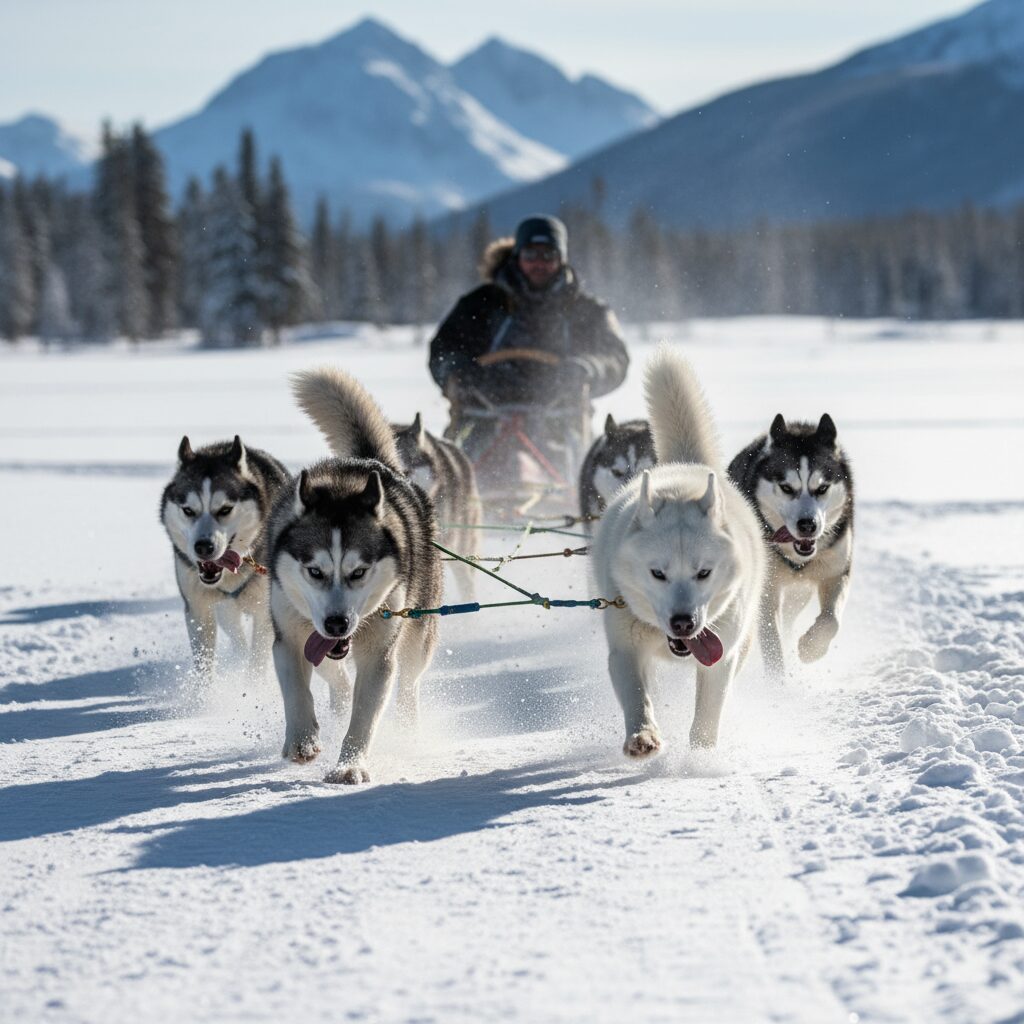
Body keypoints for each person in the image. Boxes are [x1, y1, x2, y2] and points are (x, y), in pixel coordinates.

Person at [429, 215, 629, 481]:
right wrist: (458, 371)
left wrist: (587, 368)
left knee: (583, 470)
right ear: (517, 255)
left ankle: (577, 510)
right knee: (458, 470)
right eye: (531, 254)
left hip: (560, 419)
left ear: (561, 258)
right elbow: (443, 350)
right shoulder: (480, 304)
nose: (539, 263)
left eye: (548, 255)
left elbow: (615, 358)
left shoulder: (587, 311)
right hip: (483, 415)